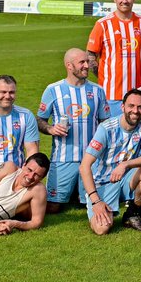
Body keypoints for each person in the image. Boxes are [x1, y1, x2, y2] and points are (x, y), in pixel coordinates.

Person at [37, 48, 112, 213]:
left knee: (88, 202)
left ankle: (78, 190)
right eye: (82, 62)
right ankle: (71, 189)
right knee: (53, 207)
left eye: (87, 61)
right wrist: (50, 128)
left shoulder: (97, 90)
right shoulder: (53, 90)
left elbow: (105, 122)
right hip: (64, 157)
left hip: (91, 158)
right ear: (69, 66)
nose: (87, 65)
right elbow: (39, 120)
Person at [78, 89, 141, 235]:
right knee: (102, 229)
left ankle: (132, 214)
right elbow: (84, 166)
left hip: (127, 178)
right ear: (122, 107)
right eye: (131, 106)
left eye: (140, 107)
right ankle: (97, 205)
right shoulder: (106, 129)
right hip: (104, 181)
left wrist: (125, 165)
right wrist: (96, 201)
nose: (135, 111)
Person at [87, 0, 141, 111]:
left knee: (136, 130)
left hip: (138, 92)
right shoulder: (103, 24)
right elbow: (91, 55)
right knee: (111, 130)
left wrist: (136, 69)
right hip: (110, 95)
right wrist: (105, 75)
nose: (124, 1)